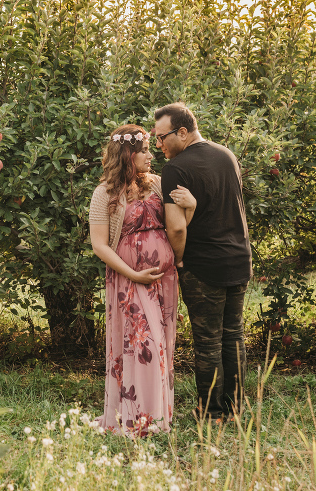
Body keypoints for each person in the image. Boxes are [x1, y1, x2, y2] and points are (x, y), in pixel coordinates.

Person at [89, 124, 196, 436]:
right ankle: (138, 418)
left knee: (159, 345)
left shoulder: (160, 184)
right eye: (145, 151)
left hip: (164, 280)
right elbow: (99, 245)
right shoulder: (104, 193)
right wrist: (134, 273)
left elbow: (177, 225)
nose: (152, 156)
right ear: (127, 154)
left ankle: (156, 417)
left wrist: (191, 208)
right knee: (141, 345)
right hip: (130, 280)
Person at [153, 103, 252, 423]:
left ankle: (211, 413)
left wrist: (179, 260)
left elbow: (177, 227)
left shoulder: (176, 168)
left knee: (208, 341)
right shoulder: (227, 156)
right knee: (233, 335)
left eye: (162, 137)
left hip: (203, 264)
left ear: (182, 132)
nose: (158, 145)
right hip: (238, 258)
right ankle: (236, 409)